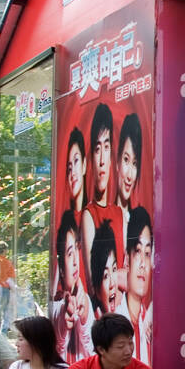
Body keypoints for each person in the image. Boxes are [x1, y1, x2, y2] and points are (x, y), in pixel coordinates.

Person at [80, 104, 125, 299]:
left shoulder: (119, 213)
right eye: (97, 149)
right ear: (91, 156)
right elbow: (94, 285)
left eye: (107, 147)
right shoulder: (89, 215)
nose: (102, 160)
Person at [51, 209, 93, 363]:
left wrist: (84, 316)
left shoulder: (85, 300)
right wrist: (65, 316)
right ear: (61, 270)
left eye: (76, 249)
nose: (76, 261)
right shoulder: (55, 306)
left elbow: (92, 350)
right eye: (69, 253)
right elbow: (59, 343)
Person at [123, 207, 153, 366]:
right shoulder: (114, 320)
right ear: (127, 259)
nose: (143, 264)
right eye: (138, 251)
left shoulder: (151, 322)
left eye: (147, 254)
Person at [89, 219, 127, 318]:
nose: (112, 284)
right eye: (105, 276)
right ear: (97, 291)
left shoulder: (125, 307)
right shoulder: (92, 321)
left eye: (114, 269)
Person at [116, 112, 142, 241]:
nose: (129, 176)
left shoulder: (141, 225)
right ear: (117, 161)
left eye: (135, 164)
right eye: (126, 160)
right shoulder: (102, 221)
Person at [64, 126, 88, 227]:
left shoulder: (91, 216)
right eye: (69, 168)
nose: (72, 173)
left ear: (84, 165)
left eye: (76, 161)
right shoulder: (66, 222)